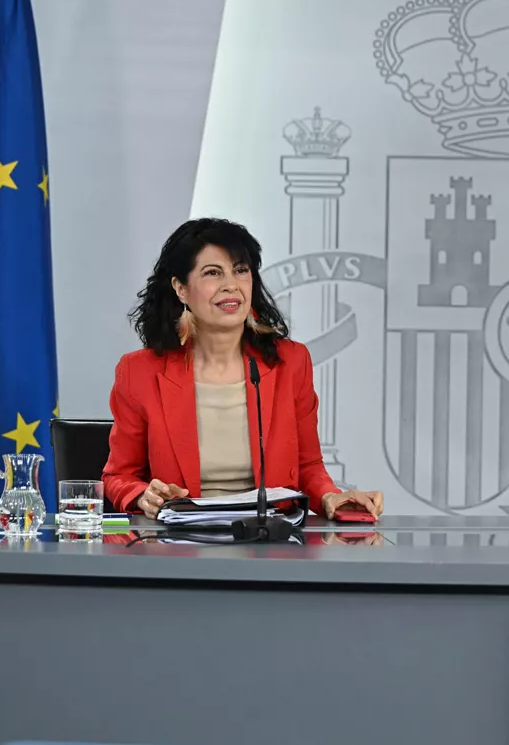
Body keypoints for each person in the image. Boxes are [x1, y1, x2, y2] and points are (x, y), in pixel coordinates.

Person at [102, 218, 383, 520]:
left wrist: (330, 496)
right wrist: (144, 496)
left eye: (241, 270)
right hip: (181, 547)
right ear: (181, 288)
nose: (231, 285)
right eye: (213, 273)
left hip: (270, 543)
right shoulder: (139, 372)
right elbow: (119, 477)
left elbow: (307, 466)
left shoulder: (291, 362)